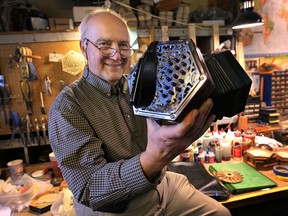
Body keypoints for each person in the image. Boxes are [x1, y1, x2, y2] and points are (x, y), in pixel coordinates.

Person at [48, 7, 231, 216]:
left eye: (123, 45)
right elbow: (90, 188)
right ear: (84, 48)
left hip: (162, 185)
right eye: (105, 44)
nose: (116, 55)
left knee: (221, 214)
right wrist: (153, 158)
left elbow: (173, 106)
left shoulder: (138, 82)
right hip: (116, 209)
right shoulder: (68, 107)